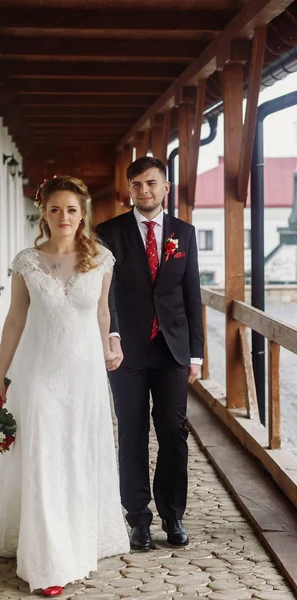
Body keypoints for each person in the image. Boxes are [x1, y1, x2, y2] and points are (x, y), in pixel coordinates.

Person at [0, 176, 129, 597]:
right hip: (37, 372)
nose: (63, 217)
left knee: (76, 456)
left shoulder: (101, 260)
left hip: (85, 376)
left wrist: (108, 350)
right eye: (55, 209)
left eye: (72, 210)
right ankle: (48, 562)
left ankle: (78, 541)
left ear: (83, 215)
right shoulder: (27, 261)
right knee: (42, 457)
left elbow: (101, 316)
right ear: (44, 212)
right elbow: (15, 321)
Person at [95, 156, 204, 551]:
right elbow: (104, 294)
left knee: (174, 434)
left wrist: (197, 354)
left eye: (152, 183)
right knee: (132, 432)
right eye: (137, 184)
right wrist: (111, 336)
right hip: (126, 351)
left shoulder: (185, 234)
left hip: (173, 350)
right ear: (129, 189)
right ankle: (137, 519)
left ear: (166, 187)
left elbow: (191, 295)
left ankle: (173, 515)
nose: (144, 190)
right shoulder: (107, 233)